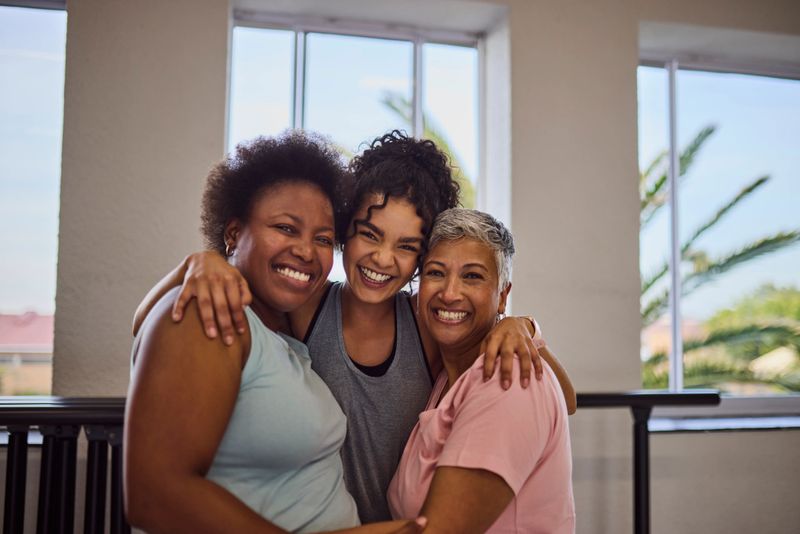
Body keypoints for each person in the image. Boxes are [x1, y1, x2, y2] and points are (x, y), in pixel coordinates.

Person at [132, 131, 576, 522]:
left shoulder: (426, 324)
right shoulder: (307, 305)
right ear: (345, 232)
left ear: (421, 261)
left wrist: (519, 326)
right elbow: (144, 324)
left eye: (406, 247)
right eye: (370, 234)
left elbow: (565, 400)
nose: (383, 259)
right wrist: (195, 265)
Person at [124, 132, 423, 533]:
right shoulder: (207, 312)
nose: (305, 250)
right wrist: (194, 265)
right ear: (233, 234)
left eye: (322, 238)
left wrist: (511, 326)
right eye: (285, 227)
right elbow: (155, 497)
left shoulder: (282, 331)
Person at [388, 208, 575, 533]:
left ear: (502, 296)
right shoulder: (449, 375)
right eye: (435, 273)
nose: (449, 293)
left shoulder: (507, 377)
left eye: (472, 276)